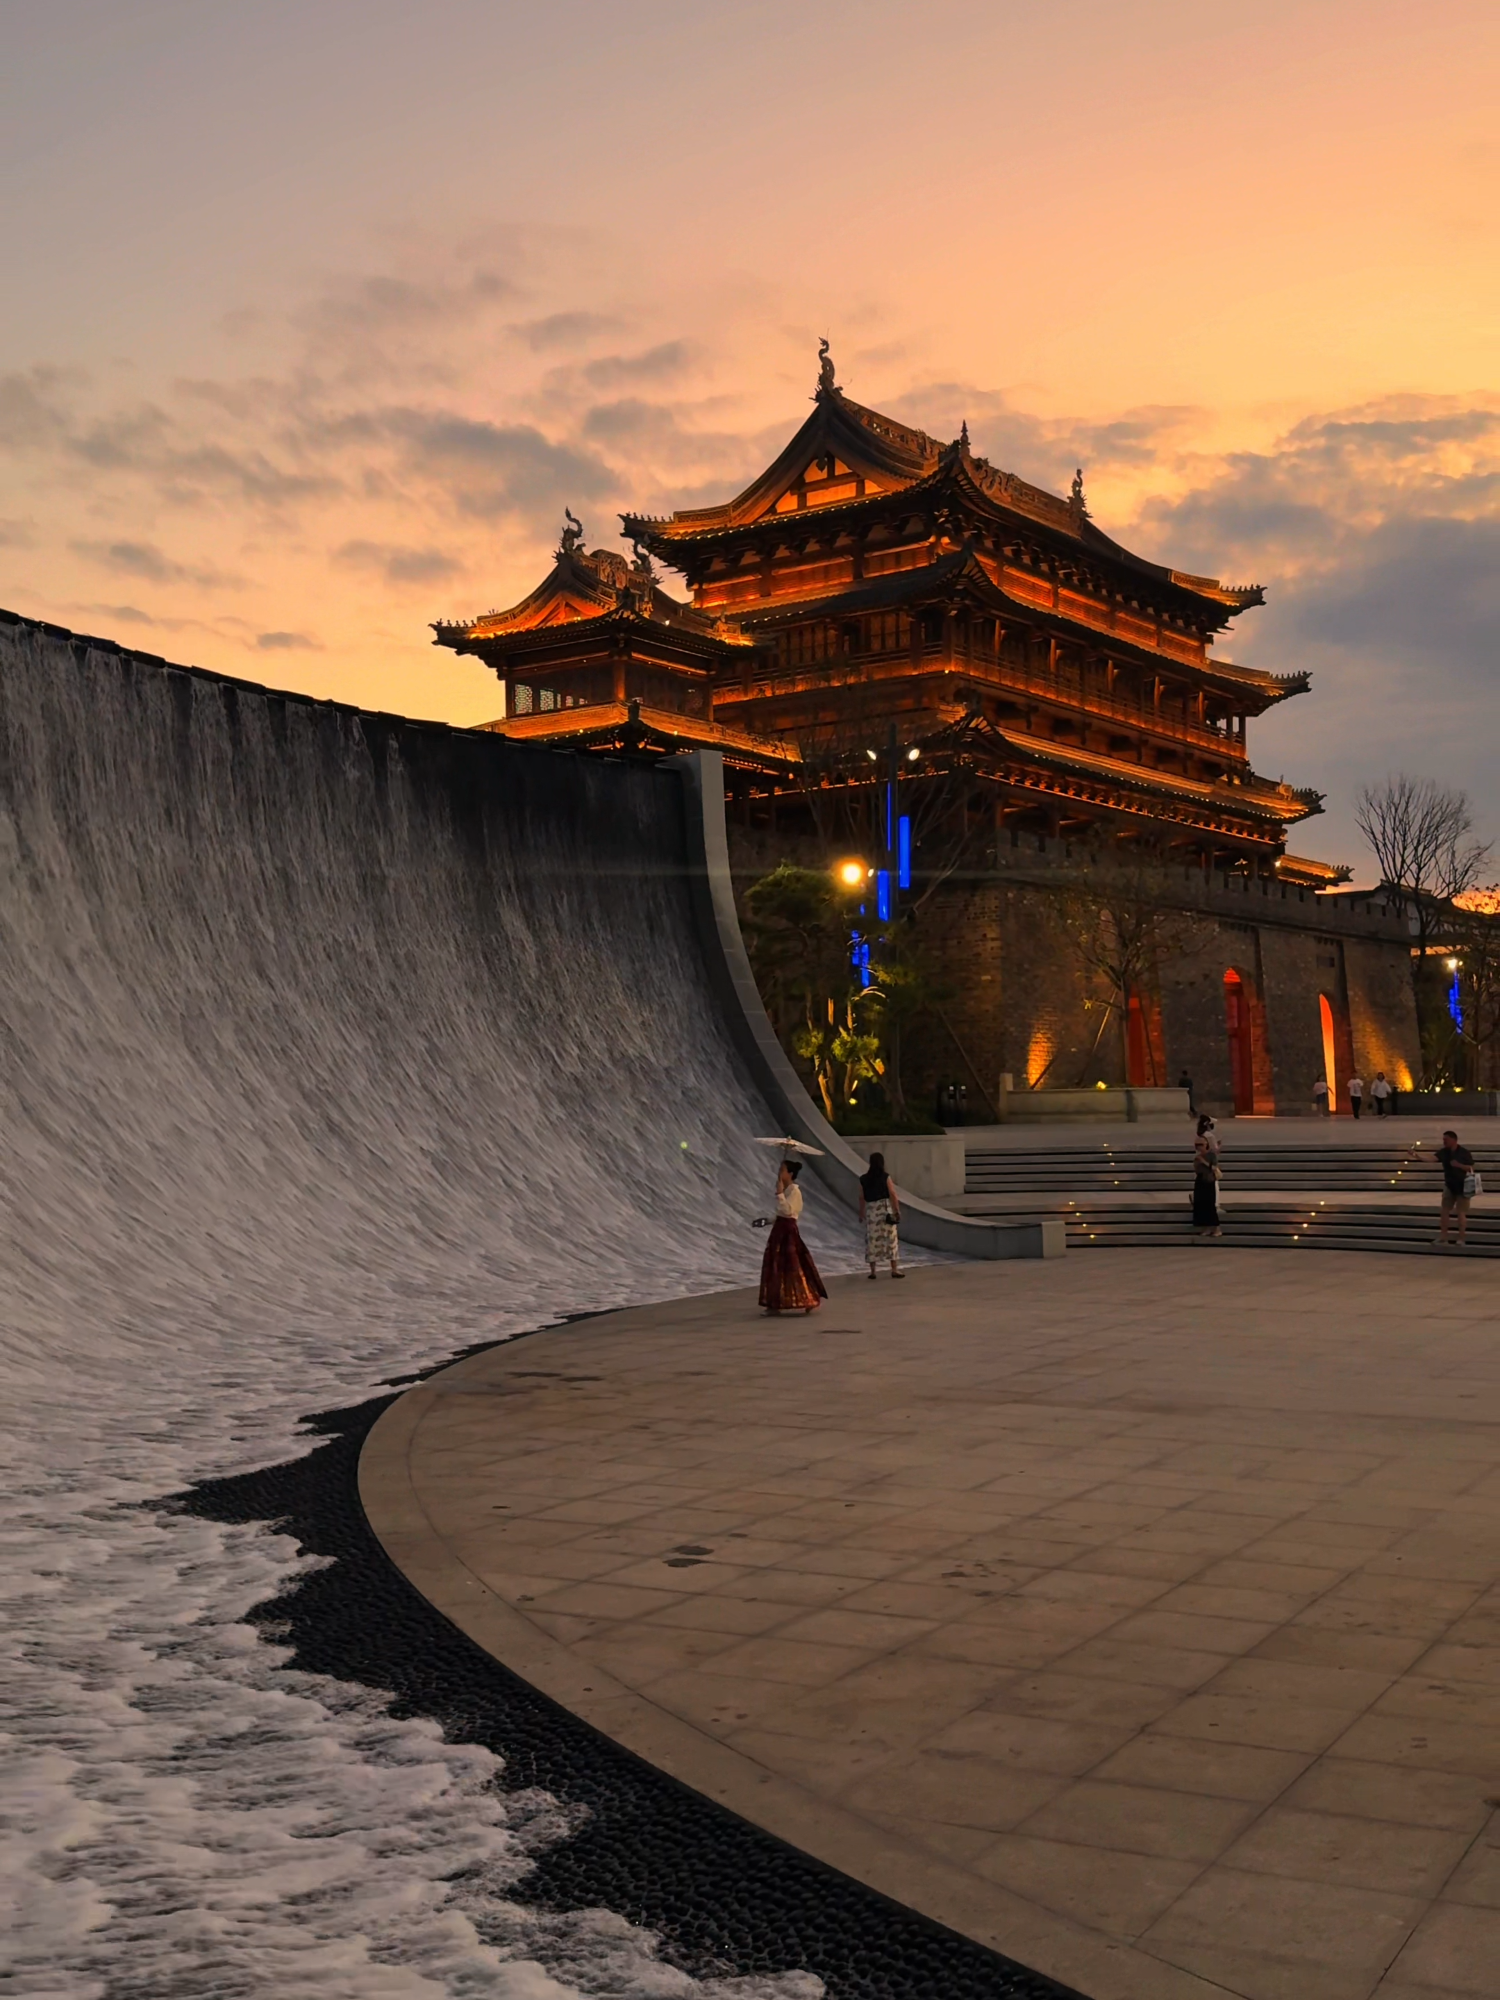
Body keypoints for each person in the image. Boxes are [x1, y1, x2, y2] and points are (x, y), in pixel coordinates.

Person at [758, 1159, 827, 1313]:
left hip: (788, 1232)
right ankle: (774, 1303)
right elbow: (780, 1213)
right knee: (776, 1265)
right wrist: (767, 1221)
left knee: (793, 1266)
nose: (779, 1173)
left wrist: (780, 1194)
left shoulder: (795, 1191)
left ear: (790, 1174)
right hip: (779, 1230)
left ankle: (808, 1297)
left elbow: (789, 1211)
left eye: (783, 1170)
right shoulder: (787, 1190)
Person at [859, 1151, 905, 1280]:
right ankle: (894, 1269)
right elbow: (892, 1194)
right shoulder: (885, 1177)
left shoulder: (863, 1179)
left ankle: (873, 1271)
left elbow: (861, 1197)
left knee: (872, 1240)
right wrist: (897, 1210)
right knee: (890, 1239)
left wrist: (861, 1212)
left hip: (871, 1210)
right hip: (884, 1209)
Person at [1436, 1128, 1476, 1250]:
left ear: (1454, 1140)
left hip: (1463, 1186)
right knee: (1444, 1211)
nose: (1444, 1142)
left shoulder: (1464, 1152)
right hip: (1449, 1185)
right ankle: (1443, 1237)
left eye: (1446, 1140)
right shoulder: (1444, 1152)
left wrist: (1459, 1165)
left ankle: (1461, 1238)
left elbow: (1470, 1168)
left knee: (1461, 1213)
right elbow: (1432, 1158)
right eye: (1443, 1139)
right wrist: (1417, 1156)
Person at [1192, 1114, 1222, 1239]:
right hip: (1200, 1180)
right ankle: (1205, 1228)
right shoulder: (1198, 1156)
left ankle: (1216, 1228)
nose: (1199, 1148)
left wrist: (1203, 1161)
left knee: (1209, 1204)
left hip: (1209, 1180)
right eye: (1197, 1146)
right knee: (1200, 1204)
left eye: (1202, 1145)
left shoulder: (1210, 1155)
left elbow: (1213, 1167)